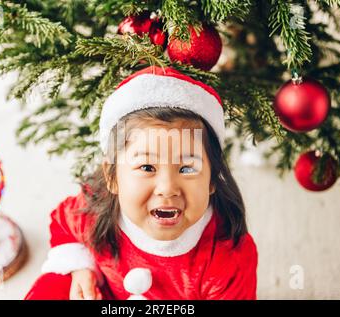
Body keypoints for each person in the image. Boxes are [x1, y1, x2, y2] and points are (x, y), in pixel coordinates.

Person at [25, 66, 258, 300]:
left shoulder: (226, 256)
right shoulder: (94, 208)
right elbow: (64, 224)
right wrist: (81, 268)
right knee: (51, 288)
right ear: (113, 177)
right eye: (147, 168)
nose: (167, 188)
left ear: (211, 179)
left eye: (187, 168)